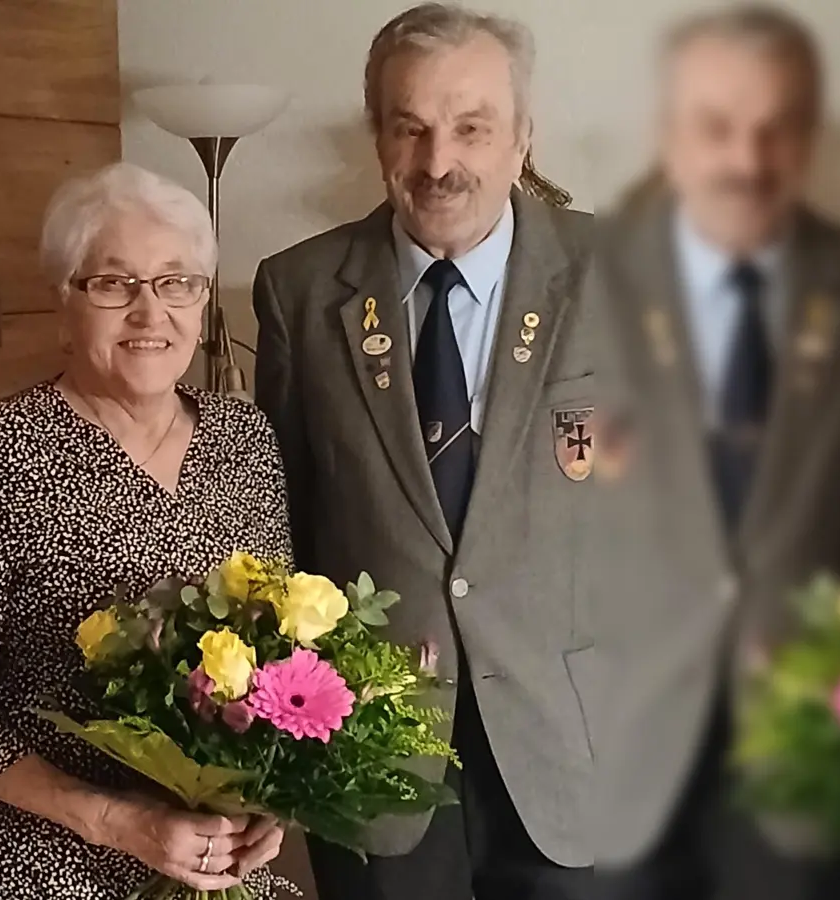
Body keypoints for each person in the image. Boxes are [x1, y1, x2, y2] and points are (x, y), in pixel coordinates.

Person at [252, 4, 605, 899]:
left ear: (522, 138)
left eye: (471, 128)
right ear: (378, 136)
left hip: (579, 746)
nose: (438, 162)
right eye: (409, 128)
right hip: (374, 753)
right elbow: (287, 523)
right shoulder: (298, 291)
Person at [0, 161, 289, 899]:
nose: (150, 313)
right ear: (64, 303)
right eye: (115, 284)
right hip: (55, 856)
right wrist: (120, 822)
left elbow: (283, 661)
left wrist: (265, 805)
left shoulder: (245, 439)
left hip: (214, 857)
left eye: (176, 282)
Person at [589, 7, 840, 900]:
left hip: (808, 764)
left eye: (776, 128)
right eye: (716, 127)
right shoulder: (581, 282)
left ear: (809, 136)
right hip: (619, 760)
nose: (747, 161)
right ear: (668, 135)